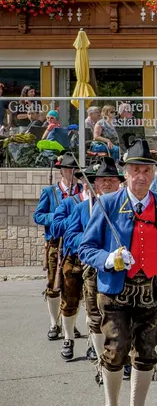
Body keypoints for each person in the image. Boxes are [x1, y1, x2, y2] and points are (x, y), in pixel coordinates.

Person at [78, 138, 157, 406]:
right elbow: (86, 248)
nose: (141, 176)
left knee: (146, 353)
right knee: (115, 351)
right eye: (135, 170)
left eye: (146, 170)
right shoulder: (108, 204)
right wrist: (108, 259)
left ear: (153, 174)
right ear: (125, 174)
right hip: (116, 292)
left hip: (153, 292)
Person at [63, 157, 124, 371]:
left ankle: (123, 357)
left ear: (119, 183)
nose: (107, 184)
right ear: (95, 183)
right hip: (92, 270)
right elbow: (70, 236)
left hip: (122, 271)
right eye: (102, 180)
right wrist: (92, 242)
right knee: (95, 316)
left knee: (123, 316)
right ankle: (101, 362)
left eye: (112, 180)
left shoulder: (127, 207)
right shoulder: (83, 208)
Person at [34, 153, 83, 341]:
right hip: (55, 244)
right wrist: (58, 216)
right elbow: (38, 216)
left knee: (73, 288)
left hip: (74, 245)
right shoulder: (50, 192)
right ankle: (54, 323)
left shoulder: (82, 192)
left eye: (74, 169)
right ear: (61, 170)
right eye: (67, 169)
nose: (71, 172)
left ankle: (70, 323)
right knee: (53, 285)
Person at [49, 154, 89, 361]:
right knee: (69, 300)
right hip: (72, 257)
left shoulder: (103, 204)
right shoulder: (69, 203)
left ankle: (93, 342)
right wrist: (76, 216)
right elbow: (55, 227)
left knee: (95, 304)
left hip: (95, 261)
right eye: (88, 181)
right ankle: (68, 337)